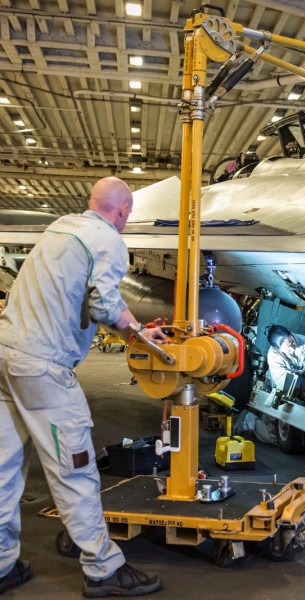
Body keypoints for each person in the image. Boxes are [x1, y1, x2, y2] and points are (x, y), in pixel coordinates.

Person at [0, 177, 168, 597]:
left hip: (5, 354)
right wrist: (139, 337)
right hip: (44, 366)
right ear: (125, 210)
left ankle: (2, 564)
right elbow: (103, 305)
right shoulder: (109, 240)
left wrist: (138, 327)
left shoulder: (61, 226)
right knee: (75, 469)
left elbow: (94, 292)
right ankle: (104, 571)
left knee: (3, 467)